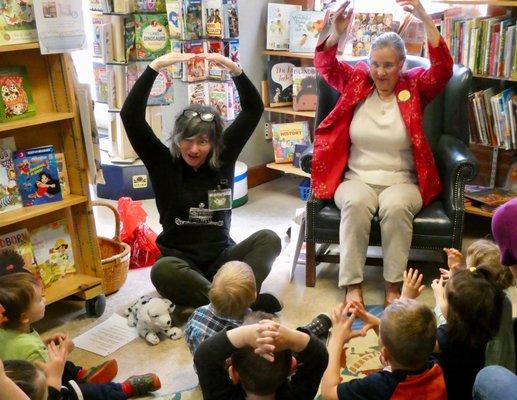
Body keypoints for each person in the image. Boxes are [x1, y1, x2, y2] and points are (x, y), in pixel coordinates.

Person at [312, 0, 453, 305]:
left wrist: (424, 17)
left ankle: (393, 285)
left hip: (403, 180)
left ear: (402, 65)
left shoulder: (415, 87)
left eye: (388, 65)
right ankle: (352, 286)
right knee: (355, 203)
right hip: (356, 177)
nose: (380, 71)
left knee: (395, 207)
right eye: (375, 63)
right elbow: (325, 66)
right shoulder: (356, 82)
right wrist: (334, 33)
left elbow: (443, 69)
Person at [120, 51, 282, 314]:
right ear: (178, 139)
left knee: (269, 239)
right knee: (161, 270)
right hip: (181, 261)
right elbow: (131, 116)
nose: (193, 148)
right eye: (187, 139)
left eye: (203, 142)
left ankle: (225, 300)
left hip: (222, 258)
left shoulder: (224, 156)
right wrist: (154, 67)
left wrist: (235, 70)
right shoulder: (163, 162)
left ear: (214, 144)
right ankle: (235, 302)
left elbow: (254, 108)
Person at [0, 272, 161, 399]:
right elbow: (52, 374)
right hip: (42, 391)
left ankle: (83, 375)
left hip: (23, 380)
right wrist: (64, 352)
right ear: (24, 317)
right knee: (80, 393)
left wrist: (44, 342)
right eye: (39, 299)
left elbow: (21, 349)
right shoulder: (29, 348)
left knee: (60, 361)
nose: (44, 299)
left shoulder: (8, 331)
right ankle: (123, 389)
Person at [320, 299, 446, 400]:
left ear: (384, 354)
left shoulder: (380, 385)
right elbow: (403, 340)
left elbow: (329, 392)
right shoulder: (440, 366)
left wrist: (336, 339)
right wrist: (377, 323)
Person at [193, 313, 329, 399]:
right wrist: (293, 338)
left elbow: (204, 356)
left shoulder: (222, 396)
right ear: (292, 366)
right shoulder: (298, 395)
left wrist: (244, 335)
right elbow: (319, 357)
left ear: (234, 373)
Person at [440, 240, 515, 372]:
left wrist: (439, 297)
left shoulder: (480, 308)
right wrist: (455, 271)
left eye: (469, 270)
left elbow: (451, 320)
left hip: (486, 370)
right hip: (507, 364)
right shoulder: (504, 299)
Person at [431, 268, 503, 400]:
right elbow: (446, 316)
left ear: (455, 315)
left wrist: (405, 298)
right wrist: (441, 295)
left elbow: (414, 344)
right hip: (472, 386)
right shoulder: (485, 326)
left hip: (451, 390)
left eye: (445, 299)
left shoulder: (446, 337)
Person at [185, 261, 256, 354]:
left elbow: (188, 337)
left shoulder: (198, 313)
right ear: (255, 296)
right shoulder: (246, 329)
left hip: (201, 363)